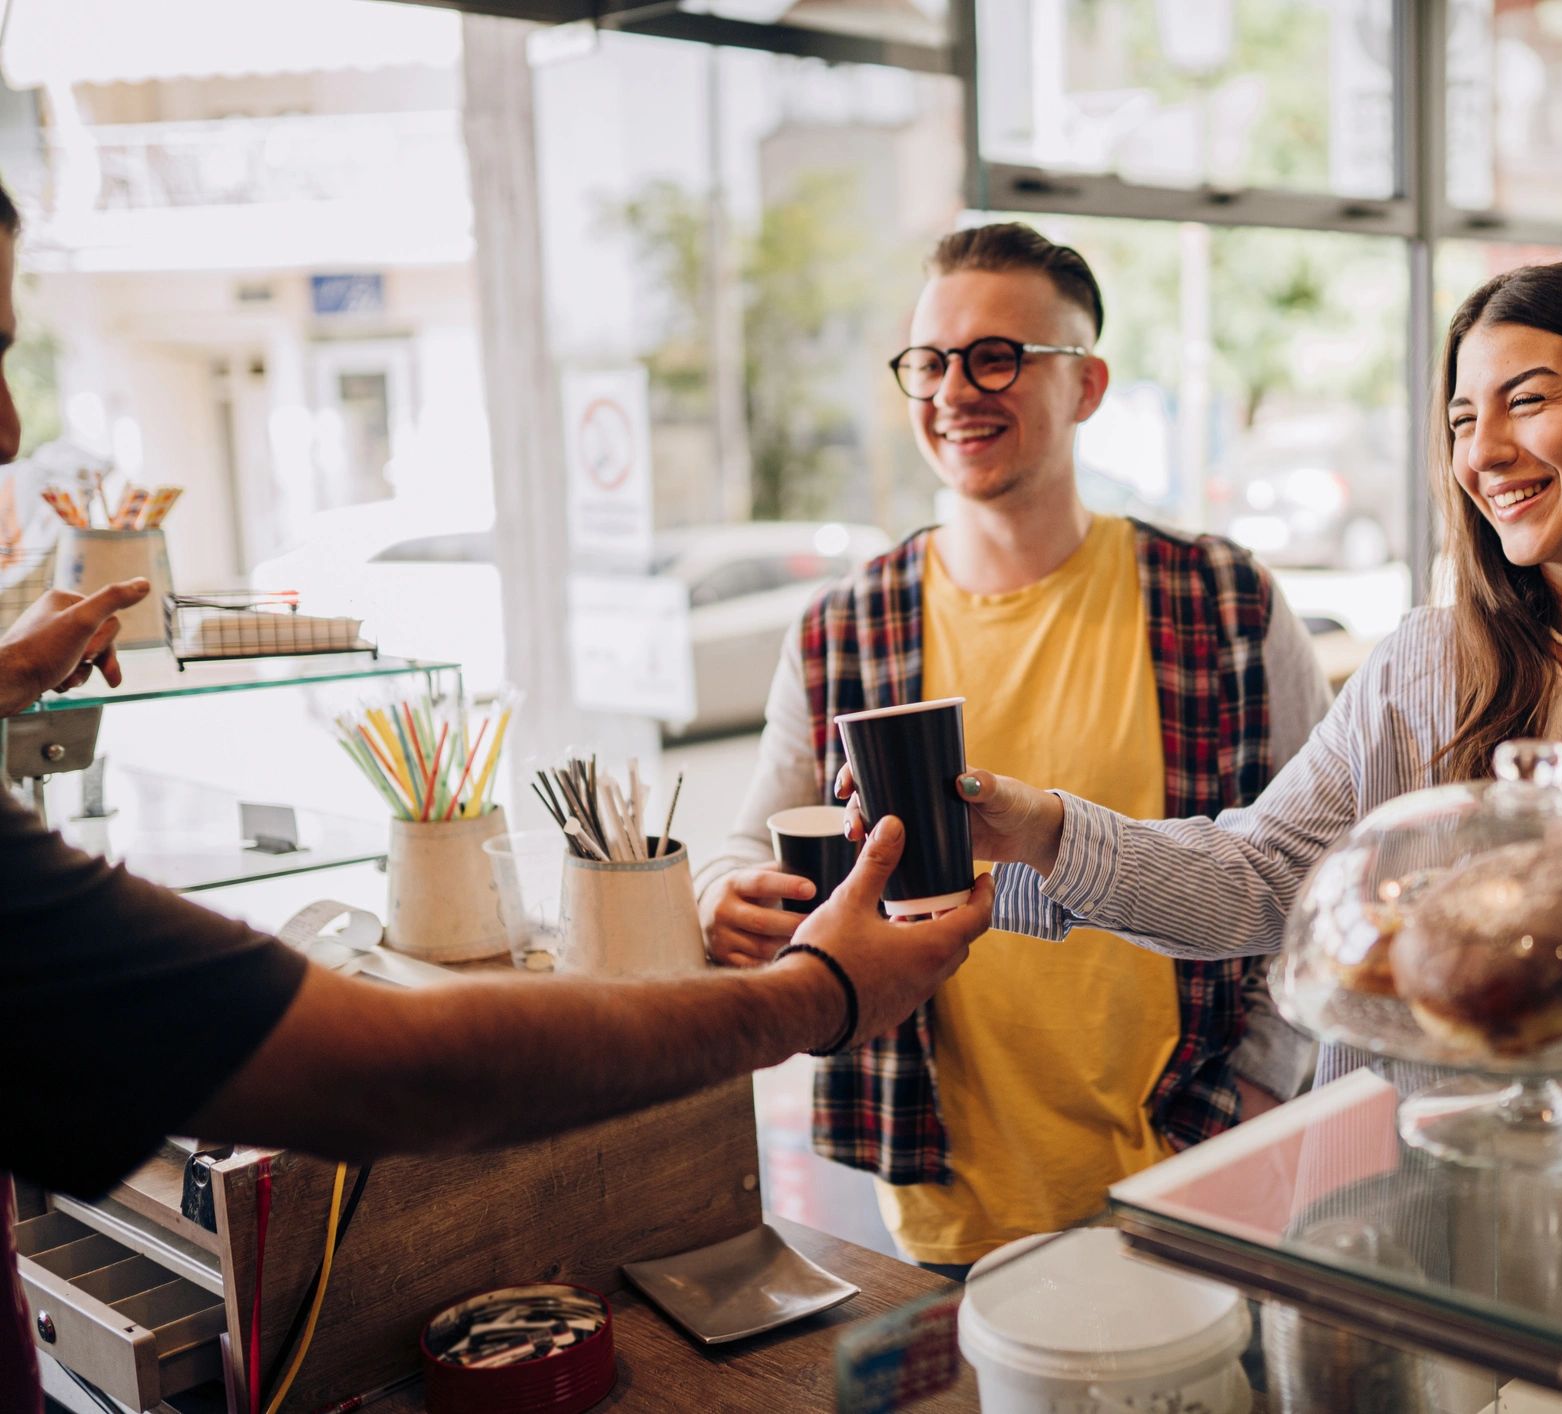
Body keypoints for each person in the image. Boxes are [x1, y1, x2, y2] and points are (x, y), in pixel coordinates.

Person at [0, 178, 989, 1413]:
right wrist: (819, 993)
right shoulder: (849, 616)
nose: (5, 426)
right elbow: (408, 1075)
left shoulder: (1205, 597)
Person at [897, 259, 1562, 1257]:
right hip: (1463, 1215)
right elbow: (1260, 877)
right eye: (1463, 416)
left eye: (1529, 399)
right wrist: (1038, 833)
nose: (1484, 451)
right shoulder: (1423, 668)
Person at [695, 223, 1333, 1277]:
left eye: (998, 356)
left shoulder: (1223, 601)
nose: (955, 389)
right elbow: (748, 843)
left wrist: (1260, 1086)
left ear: (1086, 384)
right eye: (931, 360)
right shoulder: (843, 627)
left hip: (1193, 1169)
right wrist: (721, 893)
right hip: (944, 1192)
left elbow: (1323, 870)